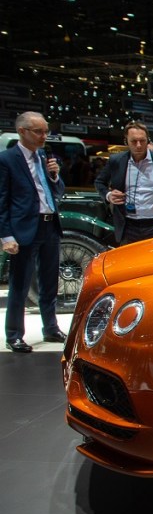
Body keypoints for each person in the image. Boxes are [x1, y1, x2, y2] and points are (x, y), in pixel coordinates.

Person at [0, 111, 65, 352]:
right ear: (22, 131)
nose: (44, 136)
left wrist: (55, 176)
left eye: (46, 131)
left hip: (50, 224)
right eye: (39, 131)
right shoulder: (7, 159)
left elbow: (57, 192)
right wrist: (6, 236)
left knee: (49, 283)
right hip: (25, 229)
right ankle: (14, 334)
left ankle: (51, 328)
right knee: (20, 284)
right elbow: (1, 201)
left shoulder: (44, 157)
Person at [94, 121, 153, 245]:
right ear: (126, 141)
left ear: (148, 140)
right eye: (134, 141)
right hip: (127, 226)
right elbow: (99, 182)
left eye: (142, 141)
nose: (138, 145)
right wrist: (108, 195)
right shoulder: (116, 161)